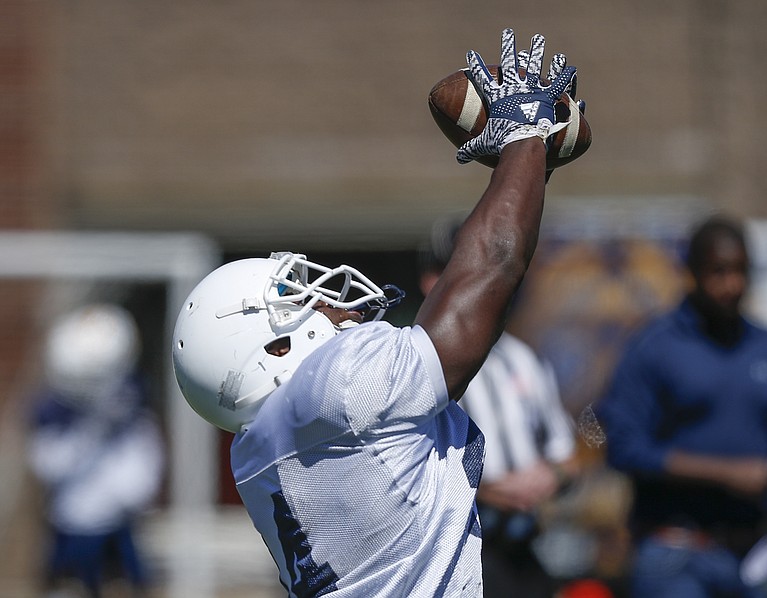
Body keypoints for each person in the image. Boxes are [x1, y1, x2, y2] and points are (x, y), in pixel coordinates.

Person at [172, 28, 578, 597]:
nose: (324, 300)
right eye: (296, 299)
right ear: (274, 349)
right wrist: (525, 137)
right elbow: (491, 266)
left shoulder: (257, 451)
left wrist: (527, 173)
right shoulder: (337, 390)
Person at [596, 215, 767, 598]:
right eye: (718, 272)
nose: (732, 284)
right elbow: (624, 450)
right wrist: (725, 473)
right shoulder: (653, 348)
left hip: (755, 552)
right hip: (675, 554)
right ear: (690, 272)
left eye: (741, 271)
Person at [418, 214, 580, 597]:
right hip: (452, 553)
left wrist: (547, 479)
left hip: (522, 546)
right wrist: (490, 491)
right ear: (431, 281)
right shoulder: (415, 368)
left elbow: (568, 459)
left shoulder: (522, 358)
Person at [28, 303, 164, 598]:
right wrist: (90, 433)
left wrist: (120, 497)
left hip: (116, 529)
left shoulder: (131, 413)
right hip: (69, 531)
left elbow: (141, 475)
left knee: (123, 586)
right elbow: (47, 465)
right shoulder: (54, 414)